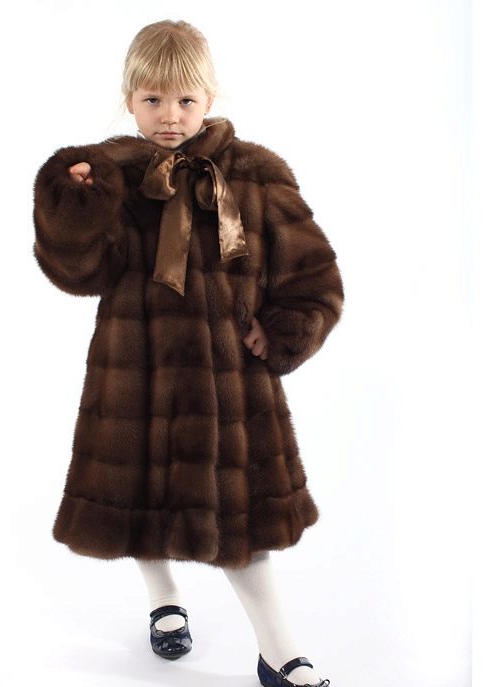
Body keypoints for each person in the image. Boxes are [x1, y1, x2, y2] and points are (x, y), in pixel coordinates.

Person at [32, 19, 343, 687]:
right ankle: (164, 599)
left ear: (210, 96)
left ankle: (279, 650)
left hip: (227, 382)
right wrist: (75, 204)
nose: (169, 116)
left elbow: (313, 272)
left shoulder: (255, 175)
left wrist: (284, 329)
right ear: (128, 98)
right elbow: (78, 272)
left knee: (241, 525)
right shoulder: (112, 175)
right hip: (137, 373)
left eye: (184, 100)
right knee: (139, 493)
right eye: (152, 99)